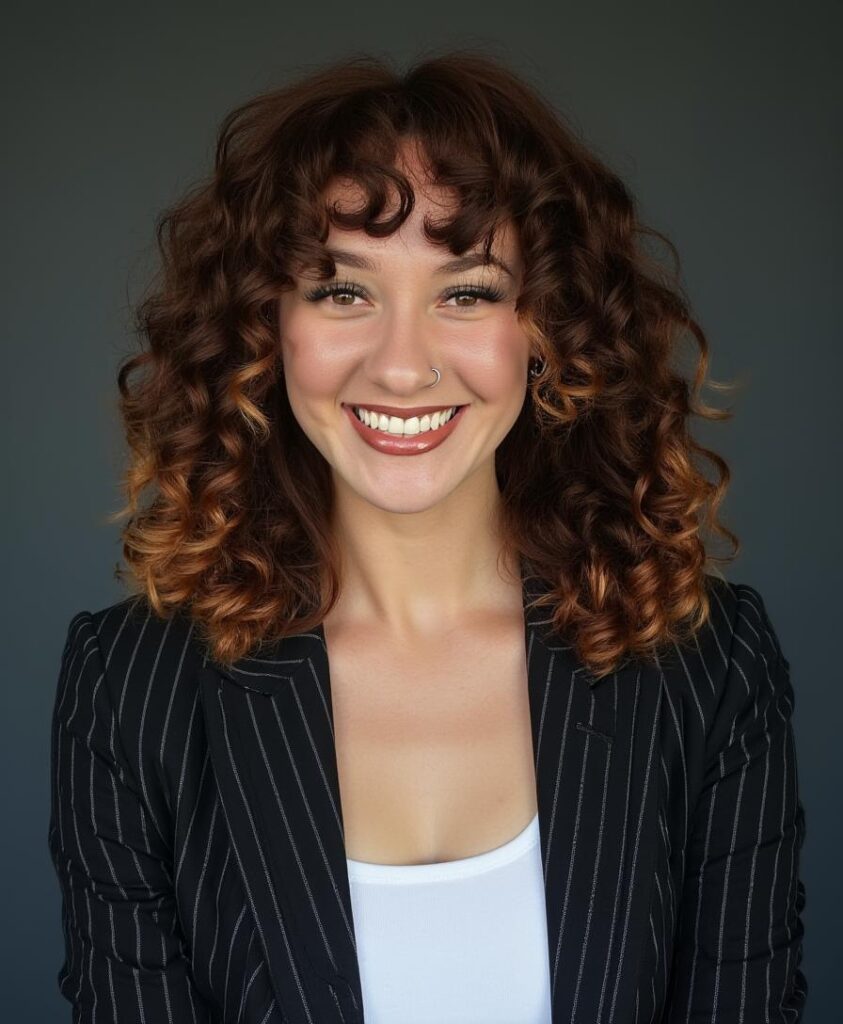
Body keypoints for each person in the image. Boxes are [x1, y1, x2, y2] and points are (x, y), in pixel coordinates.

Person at [48, 51, 808, 1023]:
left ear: (548, 326)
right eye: (342, 291)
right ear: (263, 326)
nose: (402, 368)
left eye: (467, 292)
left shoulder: (708, 667)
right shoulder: (131, 690)